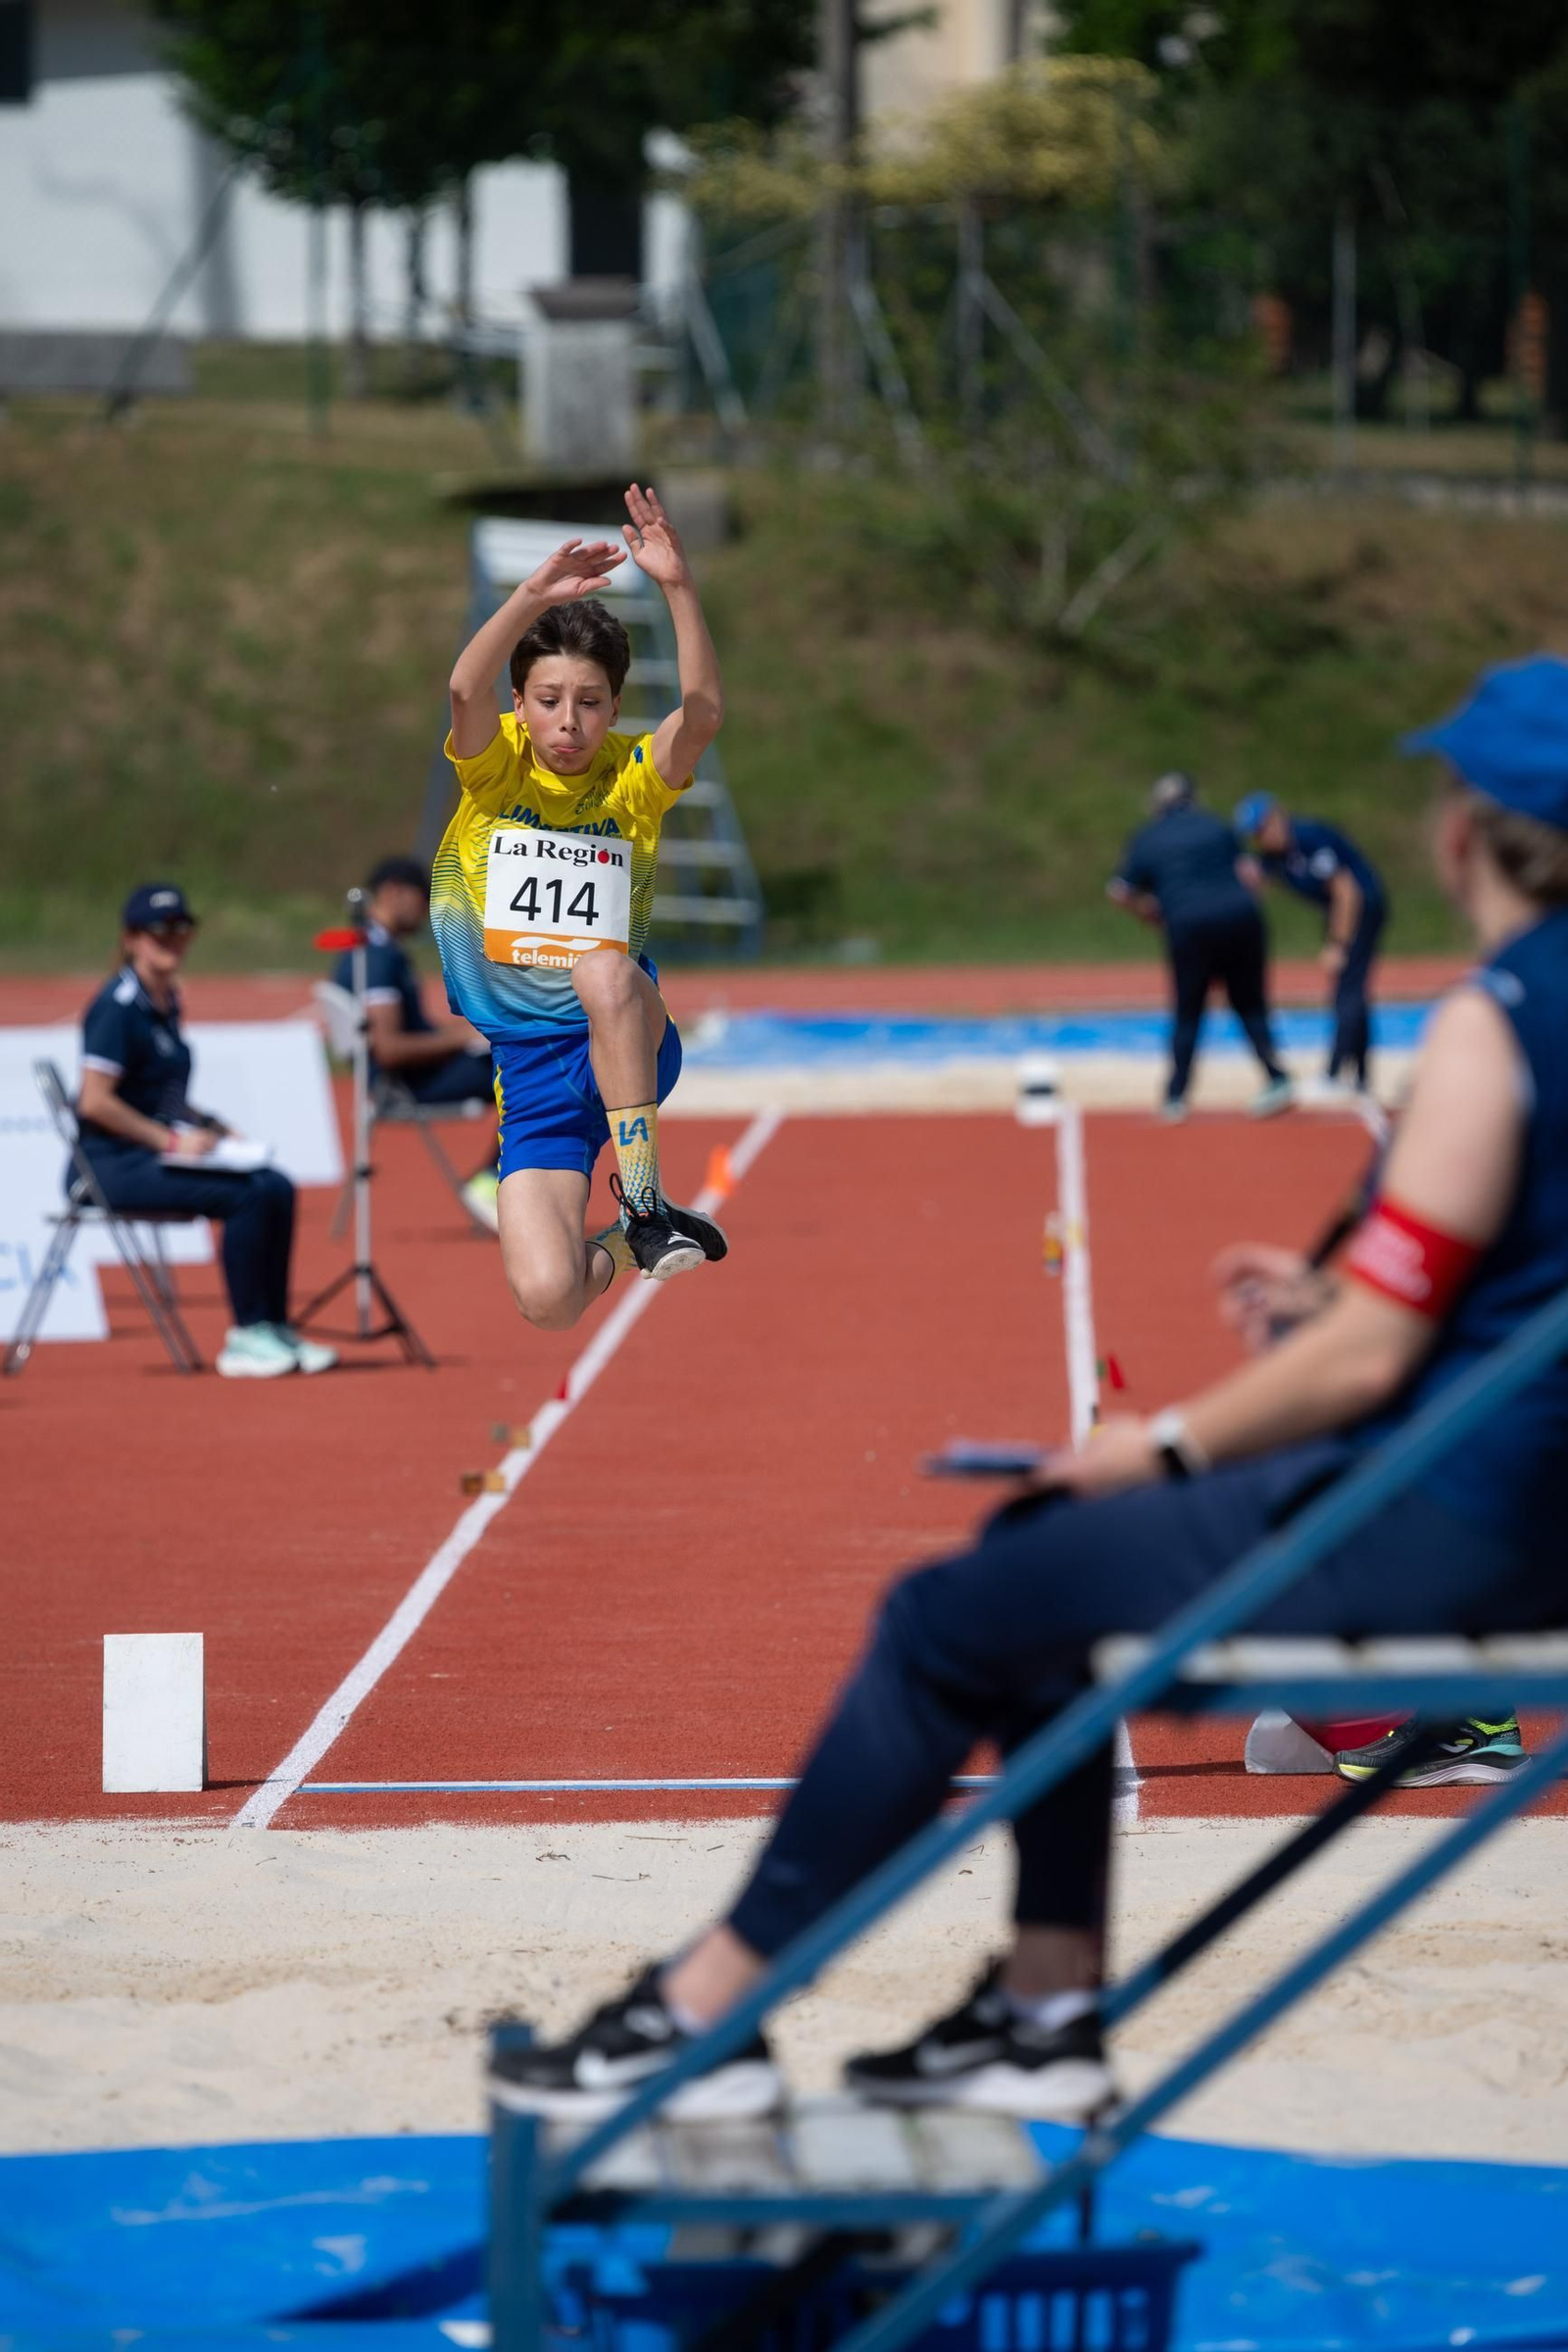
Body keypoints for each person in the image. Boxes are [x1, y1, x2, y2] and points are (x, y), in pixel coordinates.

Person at [490, 655, 1567, 2122]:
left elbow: (1372, 1359)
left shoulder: (1496, 1024)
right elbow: (1476, 1291)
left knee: (951, 1615)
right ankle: (1042, 2005)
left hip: (1464, 1522)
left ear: (1465, 832)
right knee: (1040, 1591)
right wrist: (1350, 1305)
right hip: (1523, 1501)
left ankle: (704, 2014)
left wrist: (1163, 1446)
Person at [435, 483, 728, 1331]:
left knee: (603, 968)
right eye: (551, 701)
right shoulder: (496, 772)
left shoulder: (631, 784)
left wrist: (677, 585)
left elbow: (702, 716)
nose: (570, 723)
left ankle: (644, 1200)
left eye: (591, 702)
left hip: (626, 1032)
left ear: (614, 709)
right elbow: (462, 688)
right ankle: (634, 1244)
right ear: (520, 707)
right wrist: (531, 594)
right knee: (549, 1298)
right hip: (532, 1076)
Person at [75, 883, 335, 1380]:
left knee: (274, 1184)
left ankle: (273, 1326)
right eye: (159, 931)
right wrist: (171, 1142)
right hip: (108, 1165)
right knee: (244, 1196)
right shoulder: (118, 1006)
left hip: (150, 1155)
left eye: (181, 928)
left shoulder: (166, 1000)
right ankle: (245, 1335)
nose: (172, 939)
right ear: (131, 938)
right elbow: (95, 1101)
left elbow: (160, 1095)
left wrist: (212, 1127)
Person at [1108, 772, 1293, 1122]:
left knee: (1189, 1009)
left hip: (1188, 923)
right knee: (1250, 1003)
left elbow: (1120, 891)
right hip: (1241, 918)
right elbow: (1250, 874)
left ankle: (1176, 1096)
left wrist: (1149, 912)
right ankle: (1276, 1075)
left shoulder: (1147, 838)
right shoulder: (1216, 826)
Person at [333, 854, 501, 1234]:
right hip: (402, 1087)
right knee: (526, 1070)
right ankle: (490, 1180)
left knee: (512, 1058)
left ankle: (493, 1181)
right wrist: (461, 1038)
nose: (427, 910)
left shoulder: (375, 948)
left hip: (407, 1078)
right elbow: (389, 1048)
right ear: (394, 893)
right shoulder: (377, 957)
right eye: (424, 897)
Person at [1235, 795, 1389, 1094]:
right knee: (1351, 990)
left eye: (1265, 827)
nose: (1263, 837)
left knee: (1348, 989)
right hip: (1337, 910)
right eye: (1256, 834)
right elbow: (1254, 881)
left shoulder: (1309, 839)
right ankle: (1360, 1077)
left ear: (1279, 816)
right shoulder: (1274, 857)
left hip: (1361, 907)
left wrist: (1338, 943)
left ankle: (1333, 1075)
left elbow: (1347, 893)